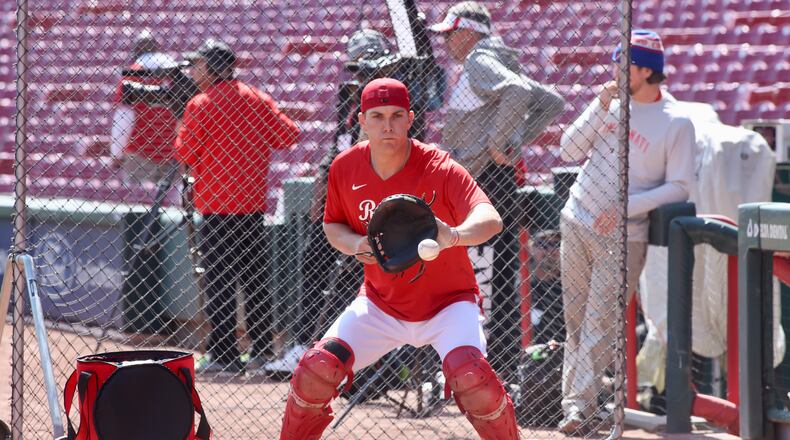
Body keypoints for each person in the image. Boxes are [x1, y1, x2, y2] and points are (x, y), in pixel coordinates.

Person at [278, 78, 520, 440]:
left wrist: (454, 235)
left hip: (449, 305)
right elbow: (332, 225)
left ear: (410, 119)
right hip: (381, 305)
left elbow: (490, 219)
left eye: (395, 116)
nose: (387, 125)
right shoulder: (345, 167)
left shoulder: (439, 167)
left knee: (472, 378)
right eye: (376, 116)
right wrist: (356, 244)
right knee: (317, 370)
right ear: (362, 120)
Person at [557, 30, 695, 434]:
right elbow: (568, 149)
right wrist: (598, 105)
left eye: (624, 64)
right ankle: (580, 405)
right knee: (576, 322)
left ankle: (576, 409)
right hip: (576, 218)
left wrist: (624, 209)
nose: (616, 71)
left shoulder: (676, 121)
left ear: (644, 70)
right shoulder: (610, 105)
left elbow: (680, 185)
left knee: (600, 323)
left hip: (624, 235)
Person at [430, 1, 566, 382]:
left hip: (482, 179)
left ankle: (477, 363)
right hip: (496, 181)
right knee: (500, 274)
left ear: (468, 32)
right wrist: (511, 141)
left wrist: (498, 142)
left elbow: (519, 92)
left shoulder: (478, 60)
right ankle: (497, 364)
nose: (447, 43)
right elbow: (551, 102)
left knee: (479, 273)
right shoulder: (499, 57)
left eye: (451, 33)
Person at [262, 28, 389, 375]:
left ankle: (350, 354)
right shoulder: (349, 99)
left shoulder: (387, 103)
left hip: (365, 202)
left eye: (368, 70)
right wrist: (322, 179)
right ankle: (305, 346)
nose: (361, 77)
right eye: (358, 70)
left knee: (354, 279)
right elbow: (337, 146)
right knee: (313, 265)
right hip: (338, 197)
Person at [174, 38, 300, 373]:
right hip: (252, 208)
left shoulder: (201, 103)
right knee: (255, 279)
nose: (193, 70)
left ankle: (225, 355)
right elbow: (288, 135)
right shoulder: (256, 98)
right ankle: (261, 350)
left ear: (213, 68)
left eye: (198, 64)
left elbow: (184, 153)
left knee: (220, 281)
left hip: (217, 209)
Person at [111, 30, 180, 199]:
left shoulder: (133, 74)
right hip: (173, 151)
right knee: (171, 208)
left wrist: (116, 154)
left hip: (139, 152)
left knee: (138, 206)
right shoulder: (176, 73)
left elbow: (124, 118)